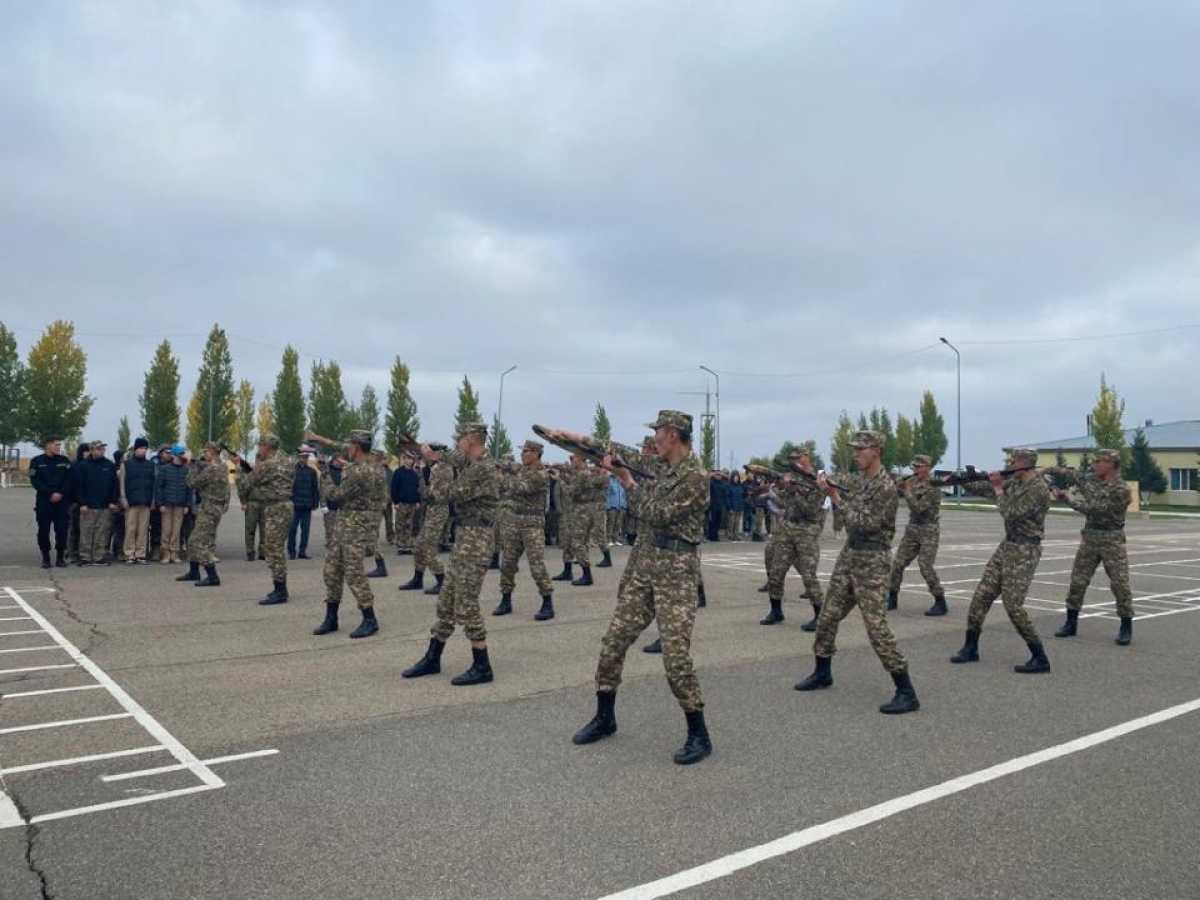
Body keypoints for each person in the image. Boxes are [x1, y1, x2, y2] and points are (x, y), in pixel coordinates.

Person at [573, 410, 713, 765]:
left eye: (659, 432)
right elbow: (615, 449)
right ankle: (605, 716)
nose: (653, 439)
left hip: (677, 571)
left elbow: (658, 514)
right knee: (613, 642)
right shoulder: (658, 464)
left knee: (676, 657)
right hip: (647, 566)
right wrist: (571, 439)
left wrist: (627, 481)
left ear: (675, 435)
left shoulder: (695, 476)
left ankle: (698, 732)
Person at [795, 431, 919, 715]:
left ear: (876, 450)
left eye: (860, 449)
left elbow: (865, 523)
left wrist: (835, 497)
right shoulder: (859, 479)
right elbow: (834, 481)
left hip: (872, 559)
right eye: (854, 450)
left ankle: (906, 690)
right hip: (850, 555)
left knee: (876, 627)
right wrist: (812, 476)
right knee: (827, 616)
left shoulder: (886, 486)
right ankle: (822, 672)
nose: (855, 454)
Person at [402, 422, 499, 685]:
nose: (456, 443)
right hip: (465, 536)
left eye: (459, 439)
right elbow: (448, 455)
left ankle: (483, 665)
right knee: (447, 601)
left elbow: (447, 494)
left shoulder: (482, 468)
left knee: (466, 602)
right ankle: (433, 657)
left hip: (477, 539)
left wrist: (429, 475)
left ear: (470, 440)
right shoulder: (472, 460)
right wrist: (421, 449)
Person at [951, 448, 1051, 673]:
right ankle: (970, 648)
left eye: (1012, 461)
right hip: (1008, 545)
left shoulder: (1038, 489)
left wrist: (997, 487)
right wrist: (963, 481)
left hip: (1026, 549)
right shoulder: (1015, 482)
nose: (1009, 464)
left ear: (1023, 463)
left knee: (1013, 605)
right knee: (981, 596)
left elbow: (1010, 511)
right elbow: (987, 489)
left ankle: (1040, 657)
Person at [1047, 449, 1135, 645]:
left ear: (1111, 464)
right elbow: (1072, 475)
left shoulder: (1121, 488)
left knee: (1120, 584)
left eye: (1099, 461)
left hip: (1112, 539)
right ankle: (1071, 622)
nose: (1095, 465)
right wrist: (1048, 470)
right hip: (1090, 537)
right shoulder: (1091, 480)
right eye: (1094, 461)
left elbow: (1096, 509)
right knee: (1078, 581)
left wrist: (1066, 498)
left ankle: (1126, 626)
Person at [312, 431, 386, 639]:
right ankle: (331, 617)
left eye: (350, 444)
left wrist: (324, 473)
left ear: (357, 446)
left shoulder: (360, 471)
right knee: (332, 570)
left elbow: (334, 496)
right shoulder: (374, 465)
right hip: (346, 525)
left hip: (354, 528)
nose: (348, 448)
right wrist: (322, 440)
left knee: (354, 573)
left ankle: (370, 619)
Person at [763, 448, 825, 628]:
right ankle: (776, 611)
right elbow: (784, 503)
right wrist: (779, 490)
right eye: (792, 459)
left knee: (808, 575)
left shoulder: (817, 480)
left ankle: (819, 615)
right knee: (776, 572)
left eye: (797, 459)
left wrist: (795, 491)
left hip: (807, 530)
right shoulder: (792, 479)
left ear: (807, 458)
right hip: (789, 528)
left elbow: (811, 510)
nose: (794, 462)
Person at [495, 440, 555, 620]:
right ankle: (505, 600)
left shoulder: (541, 474)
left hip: (532, 524)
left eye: (526, 451)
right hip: (514, 521)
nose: (522, 454)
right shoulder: (522, 469)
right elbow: (508, 464)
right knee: (507, 563)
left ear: (536, 454)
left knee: (536, 565)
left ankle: (547, 603)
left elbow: (519, 487)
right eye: (522, 451)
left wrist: (500, 477)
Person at [236, 434, 295, 605]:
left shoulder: (267, 465)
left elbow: (246, 485)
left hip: (275, 508)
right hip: (286, 505)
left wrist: (239, 469)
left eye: (260, 445)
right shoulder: (288, 461)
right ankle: (279, 587)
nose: (258, 449)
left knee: (274, 550)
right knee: (275, 548)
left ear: (267, 447)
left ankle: (280, 590)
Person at [886, 455, 948, 616]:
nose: (916, 470)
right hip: (913, 529)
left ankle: (940, 601)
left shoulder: (934, 485)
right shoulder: (912, 481)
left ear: (928, 467)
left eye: (919, 466)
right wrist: (898, 487)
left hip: (929, 530)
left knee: (925, 565)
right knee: (897, 564)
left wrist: (905, 490)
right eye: (914, 467)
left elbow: (919, 508)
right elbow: (898, 495)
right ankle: (892, 598)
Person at [399, 443, 451, 594]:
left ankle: (442, 581)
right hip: (432, 510)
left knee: (428, 546)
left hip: (438, 510)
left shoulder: (442, 469)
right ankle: (418, 578)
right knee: (419, 545)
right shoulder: (434, 467)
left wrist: (421, 479)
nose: (425, 456)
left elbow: (431, 493)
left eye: (429, 452)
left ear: (437, 454)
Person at [179, 443, 230, 586]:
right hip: (215, 508)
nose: (204, 454)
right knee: (201, 540)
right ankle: (194, 572)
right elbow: (227, 489)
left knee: (197, 542)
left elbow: (191, 483)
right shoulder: (223, 467)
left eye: (206, 451)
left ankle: (212, 576)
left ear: (213, 452)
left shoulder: (212, 469)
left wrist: (190, 464)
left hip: (208, 509)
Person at [29, 436, 72, 568]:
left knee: (62, 530)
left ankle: (60, 558)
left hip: (61, 501)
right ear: (47, 445)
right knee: (43, 530)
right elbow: (35, 481)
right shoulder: (36, 461)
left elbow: (69, 480)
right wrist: (50, 493)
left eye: (59, 445)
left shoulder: (64, 461)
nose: (58, 447)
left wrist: (60, 493)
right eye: (56, 445)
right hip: (44, 501)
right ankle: (46, 558)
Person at [75, 440, 120, 566]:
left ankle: (99, 556)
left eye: (102, 449)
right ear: (92, 450)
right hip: (88, 506)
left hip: (105, 506)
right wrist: (82, 503)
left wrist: (113, 501)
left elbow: (114, 485)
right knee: (86, 532)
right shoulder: (83, 466)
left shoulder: (109, 465)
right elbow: (79, 486)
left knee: (102, 532)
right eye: (98, 449)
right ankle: (85, 557)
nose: (101, 451)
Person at [568, 453, 611, 584]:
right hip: (587, 509)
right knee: (584, 539)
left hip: (586, 510)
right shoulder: (586, 473)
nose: (572, 460)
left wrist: (562, 482)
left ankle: (587, 574)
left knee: (578, 542)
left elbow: (572, 492)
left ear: (580, 458)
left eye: (573, 458)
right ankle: (587, 571)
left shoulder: (583, 474)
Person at [154, 445, 193, 564]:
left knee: (176, 531)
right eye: (181, 454)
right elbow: (159, 488)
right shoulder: (165, 469)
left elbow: (189, 489)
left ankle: (174, 554)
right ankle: (165, 554)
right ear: (174, 455)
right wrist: (160, 504)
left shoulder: (186, 470)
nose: (183, 456)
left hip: (180, 505)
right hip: (167, 505)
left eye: (183, 454)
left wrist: (187, 505)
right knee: (166, 530)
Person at [120, 437, 156, 564]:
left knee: (143, 529)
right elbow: (122, 483)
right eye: (141, 448)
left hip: (145, 501)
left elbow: (153, 484)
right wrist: (123, 498)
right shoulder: (126, 464)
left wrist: (152, 500)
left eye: (145, 448)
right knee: (130, 529)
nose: (143, 451)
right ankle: (129, 554)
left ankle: (141, 554)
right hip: (131, 502)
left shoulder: (151, 465)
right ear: (135, 449)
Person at [287, 445, 321, 560]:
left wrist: (316, 503)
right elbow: (287, 488)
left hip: (307, 505)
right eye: (302, 457)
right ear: (298, 457)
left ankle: (302, 551)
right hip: (294, 505)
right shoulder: (292, 470)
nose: (304, 459)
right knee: (292, 529)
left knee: (305, 530)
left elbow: (315, 488)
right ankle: (291, 552)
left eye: (306, 457)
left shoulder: (312, 472)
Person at [363, 449, 390, 578]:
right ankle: (379, 565)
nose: (369, 456)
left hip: (374, 508)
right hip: (373, 507)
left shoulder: (377, 471)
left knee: (373, 537)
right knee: (370, 537)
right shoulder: (376, 469)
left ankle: (381, 567)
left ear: (376, 457)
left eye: (372, 455)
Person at [390, 453, 421, 554]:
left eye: (411, 459)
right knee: (400, 524)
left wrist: (418, 501)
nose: (410, 461)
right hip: (401, 503)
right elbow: (393, 488)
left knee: (409, 525)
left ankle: (407, 546)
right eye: (408, 459)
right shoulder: (398, 473)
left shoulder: (414, 474)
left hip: (412, 503)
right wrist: (395, 502)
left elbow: (417, 489)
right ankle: (400, 545)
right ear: (404, 460)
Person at [606, 474, 627, 547]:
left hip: (621, 505)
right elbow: (607, 493)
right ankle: (609, 539)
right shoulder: (609, 480)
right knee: (611, 523)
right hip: (612, 505)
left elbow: (624, 494)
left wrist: (624, 505)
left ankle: (615, 539)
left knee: (618, 523)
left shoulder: (621, 482)